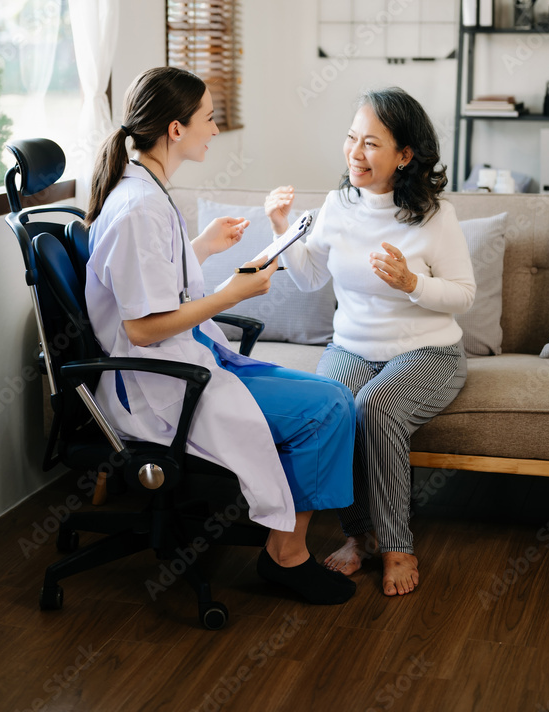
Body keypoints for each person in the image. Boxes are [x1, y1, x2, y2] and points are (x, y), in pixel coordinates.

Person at [84, 66, 357, 605]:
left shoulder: (145, 192)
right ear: (175, 129)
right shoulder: (139, 207)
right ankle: (286, 556)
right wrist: (232, 294)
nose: (215, 128)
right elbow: (141, 327)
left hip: (187, 360)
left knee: (330, 397)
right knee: (330, 408)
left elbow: (154, 284)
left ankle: (280, 538)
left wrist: (201, 248)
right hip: (161, 384)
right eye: (208, 118)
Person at [265, 87, 475, 598]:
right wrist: (280, 228)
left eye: (372, 144)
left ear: (405, 156)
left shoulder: (435, 216)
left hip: (427, 351)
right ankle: (358, 537)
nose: (356, 154)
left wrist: (412, 284)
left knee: (374, 407)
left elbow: (464, 296)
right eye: (352, 139)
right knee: (330, 408)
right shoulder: (337, 205)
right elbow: (312, 278)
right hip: (352, 347)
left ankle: (398, 546)